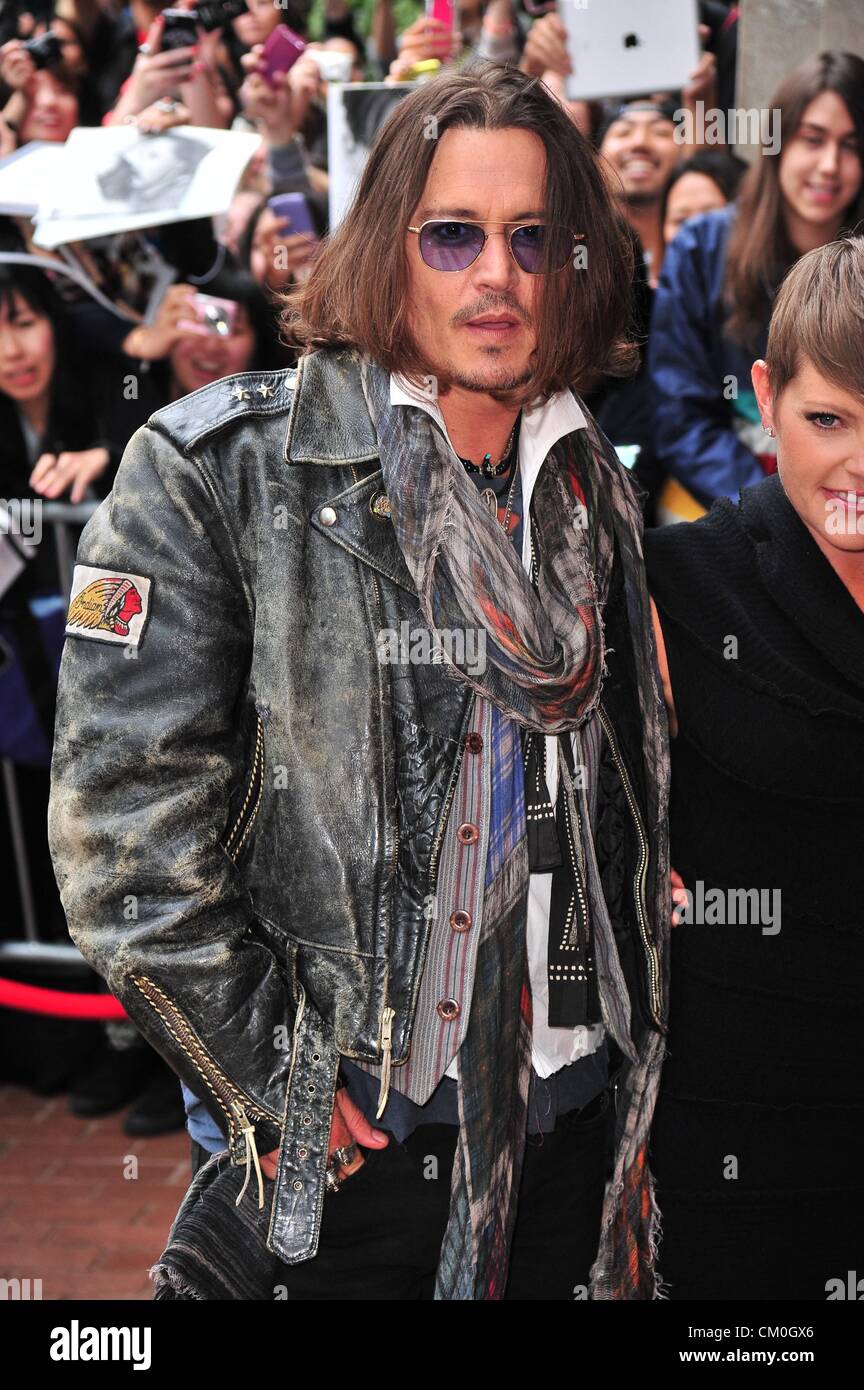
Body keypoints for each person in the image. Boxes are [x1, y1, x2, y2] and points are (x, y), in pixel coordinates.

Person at [47, 61, 673, 1302]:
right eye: (453, 235)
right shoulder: (216, 468)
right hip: (345, 1137)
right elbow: (121, 830)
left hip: (576, 1114)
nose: (496, 274)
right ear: (391, 245)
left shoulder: (589, 484)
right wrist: (268, 1073)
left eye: (534, 238)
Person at [644, 233, 864, 1300]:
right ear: (767, 399)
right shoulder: (676, 583)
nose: (861, 465)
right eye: (830, 420)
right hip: (736, 1125)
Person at [649, 50, 864, 511]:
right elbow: (681, 416)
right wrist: (775, 511)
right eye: (813, 139)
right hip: (728, 503)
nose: (830, 164)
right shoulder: (702, 247)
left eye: (850, 145)